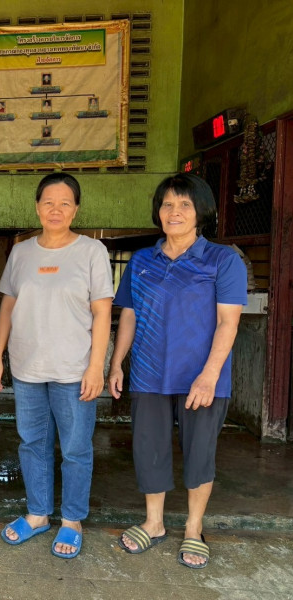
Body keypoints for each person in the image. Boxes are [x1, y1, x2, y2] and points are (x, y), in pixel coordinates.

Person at [108, 173, 246, 569]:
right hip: (149, 372)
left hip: (202, 376)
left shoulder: (222, 260)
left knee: (199, 454)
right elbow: (129, 315)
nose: (175, 211)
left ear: (201, 211)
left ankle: (193, 527)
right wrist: (117, 363)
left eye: (185, 204)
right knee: (148, 449)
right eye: (167, 204)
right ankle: (153, 523)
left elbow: (228, 323)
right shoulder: (141, 261)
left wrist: (210, 374)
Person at [0, 173, 113, 559]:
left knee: (75, 448)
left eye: (64, 203)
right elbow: (7, 307)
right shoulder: (21, 253)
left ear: (76, 209)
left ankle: (72, 520)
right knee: (32, 444)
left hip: (75, 370)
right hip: (27, 368)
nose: (55, 210)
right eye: (48, 202)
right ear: (37, 207)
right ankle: (39, 513)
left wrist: (97, 366)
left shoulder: (91, 251)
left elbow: (102, 312)